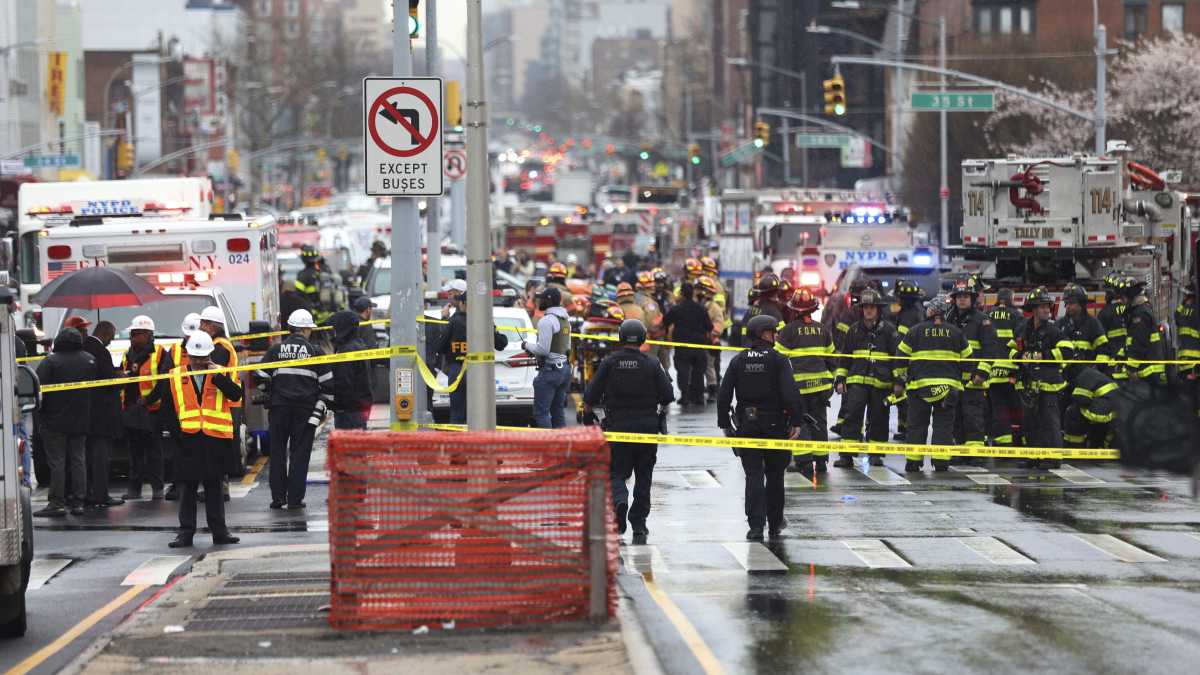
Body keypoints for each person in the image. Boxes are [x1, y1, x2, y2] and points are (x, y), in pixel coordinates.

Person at [143, 332, 242, 549]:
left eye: (202, 358)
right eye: (194, 358)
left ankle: (220, 531)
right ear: (187, 355)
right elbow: (167, 409)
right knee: (187, 488)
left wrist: (218, 377)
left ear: (209, 355)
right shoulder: (175, 375)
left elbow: (236, 395)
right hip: (187, 440)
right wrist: (176, 434)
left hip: (215, 439)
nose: (198, 362)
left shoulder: (220, 372)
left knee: (214, 488)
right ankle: (185, 533)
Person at [583, 319, 673, 542]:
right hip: (646, 428)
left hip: (618, 428)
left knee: (615, 473)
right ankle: (639, 523)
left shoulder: (609, 362)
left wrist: (591, 415)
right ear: (643, 338)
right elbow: (668, 395)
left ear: (621, 337)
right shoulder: (652, 363)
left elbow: (590, 395)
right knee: (644, 476)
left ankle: (620, 501)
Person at [718, 314, 805, 541]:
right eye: (772, 331)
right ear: (762, 333)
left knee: (753, 475)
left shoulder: (739, 360)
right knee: (775, 475)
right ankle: (775, 523)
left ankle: (755, 526)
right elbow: (790, 393)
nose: (775, 335)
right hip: (775, 426)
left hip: (747, 426)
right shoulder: (778, 360)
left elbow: (723, 394)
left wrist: (725, 424)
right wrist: (796, 422)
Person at [255, 309, 333, 509]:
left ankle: (278, 498)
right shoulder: (316, 352)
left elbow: (260, 377)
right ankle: (295, 499)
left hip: (279, 408)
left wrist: (269, 391)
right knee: (300, 455)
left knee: (278, 453)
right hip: (305, 411)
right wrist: (320, 408)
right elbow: (328, 386)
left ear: (290, 328)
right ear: (306, 329)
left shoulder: (275, 350)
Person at [896, 293, 971, 472]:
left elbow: (900, 358)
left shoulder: (915, 330)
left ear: (932, 311)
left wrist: (904, 377)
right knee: (943, 426)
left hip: (919, 389)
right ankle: (941, 462)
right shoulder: (956, 332)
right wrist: (963, 381)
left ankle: (913, 462)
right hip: (948, 390)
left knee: (916, 425)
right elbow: (969, 360)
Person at [33, 326, 97, 517]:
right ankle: (79, 501)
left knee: (57, 463)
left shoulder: (50, 361)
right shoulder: (89, 360)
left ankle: (57, 503)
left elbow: (37, 389)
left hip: (54, 421)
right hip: (81, 420)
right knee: (79, 460)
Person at [775, 288, 836, 475]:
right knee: (819, 421)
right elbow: (832, 358)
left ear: (794, 310)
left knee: (800, 421)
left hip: (799, 388)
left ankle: (804, 461)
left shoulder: (788, 331)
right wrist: (831, 379)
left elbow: (779, 359)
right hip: (822, 386)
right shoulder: (823, 330)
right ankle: (821, 460)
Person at [834, 288, 896, 467]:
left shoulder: (889, 331)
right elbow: (845, 358)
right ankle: (847, 455)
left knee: (879, 417)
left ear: (878, 309)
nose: (868, 310)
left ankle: (876, 454)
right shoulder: (853, 330)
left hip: (881, 384)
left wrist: (898, 381)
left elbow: (897, 358)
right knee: (852, 415)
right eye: (865, 307)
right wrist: (840, 379)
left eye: (872, 307)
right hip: (857, 382)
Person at [433, 279, 509, 423]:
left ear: (463, 304)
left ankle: (458, 442)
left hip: (458, 371)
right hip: (480, 373)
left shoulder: (453, 322)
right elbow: (501, 343)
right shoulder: (484, 321)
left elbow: (439, 345)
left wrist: (444, 319)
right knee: (480, 414)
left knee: (457, 412)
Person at [1016, 287, 1072, 468]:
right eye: (1041, 307)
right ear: (1033, 309)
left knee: (1050, 422)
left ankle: (1052, 458)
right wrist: (1019, 358)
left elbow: (1067, 351)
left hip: (1049, 385)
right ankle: (1033, 456)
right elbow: (1010, 349)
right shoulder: (1023, 328)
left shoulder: (1054, 330)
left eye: (1048, 306)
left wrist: (1043, 356)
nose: (1046, 310)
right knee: (1031, 422)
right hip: (1029, 385)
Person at [945, 276, 998, 456]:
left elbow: (990, 350)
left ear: (973, 298)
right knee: (955, 417)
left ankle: (975, 454)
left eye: (966, 295)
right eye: (959, 295)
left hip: (974, 380)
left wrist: (982, 373)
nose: (962, 298)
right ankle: (959, 452)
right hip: (953, 379)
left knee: (973, 417)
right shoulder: (948, 318)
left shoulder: (983, 320)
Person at [121, 316, 167, 500]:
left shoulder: (161, 353)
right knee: (134, 451)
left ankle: (157, 488)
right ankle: (134, 488)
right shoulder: (128, 353)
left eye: (137, 334)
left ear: (148, 335)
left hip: (152, 409)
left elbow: (163, 382)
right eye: (132, 334)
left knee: (154, 451)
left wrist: (149, 399)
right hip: (132, 408)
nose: (133, 338)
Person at [80, 320, 125, 508]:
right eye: (112, 337)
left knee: (88, 456)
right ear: (105, 333)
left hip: (87, 414)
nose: (111, 341)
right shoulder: (101, 352)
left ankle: (89, 492)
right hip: (102, 416)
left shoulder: (84, 349)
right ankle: (101, 494)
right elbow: (107, 383)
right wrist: (121, 377)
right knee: (101, 457)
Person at [199, 306, 239, 498]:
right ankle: (218, 487)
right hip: (222, 404)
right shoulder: (220, 344)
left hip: (223, 405)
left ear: (213, 326)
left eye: (203, 324)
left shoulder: (219, 348)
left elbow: (215, 376)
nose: (200, 327)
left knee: (219, 448)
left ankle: (220, 488)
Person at [523, 287, 573, 428]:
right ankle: (562, 446)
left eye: (542, 299)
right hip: (563, 370)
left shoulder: (546, 321)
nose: (539, 301)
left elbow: (543, 350)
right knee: (558, 412)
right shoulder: (565, 321)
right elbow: (567, 348)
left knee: (541, 413)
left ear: (548, 300)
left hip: (550, 372)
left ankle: (549, 447)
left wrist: (526, 345)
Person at [662, 282, 711, 407]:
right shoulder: (701, 309)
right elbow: (709, 326)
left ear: (682, 294)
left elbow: (665, 321)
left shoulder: (677, 309)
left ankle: (685, 397)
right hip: (699, 345)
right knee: (698, 372)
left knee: (683, 371)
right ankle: (698, 397)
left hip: (682, 346)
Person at [986, 288, 1023, 449]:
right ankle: (1023, 440)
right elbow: (1021, 340)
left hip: (992, 370)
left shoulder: (987, 315)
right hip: (1011, 370)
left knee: (998, 409)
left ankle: (1003, 443)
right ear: (1010, 299)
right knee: (1019, 407)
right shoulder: (1016, 315)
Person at [891, 279, 926, 440]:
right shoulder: (916, 311)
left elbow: (901, 343)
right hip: (915, 361)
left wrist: (899, 370)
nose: (896, 300)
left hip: (909, 362)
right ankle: (904, 427)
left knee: (905, 396)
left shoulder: (908, 315)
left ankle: (906, 428)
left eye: (899, 297)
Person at [328, 310, 374, 429]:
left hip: (349, 411)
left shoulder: (348, 351)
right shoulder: (357, 345)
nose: (332, 332)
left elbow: (344, 383)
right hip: (357, 408)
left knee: (349, 446)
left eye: (335, 328)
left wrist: (332, 402)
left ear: (343, 328)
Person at [1121, 275, 1167, 386]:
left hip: (1147, 372)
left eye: (1124, 297)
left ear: (1130, 296)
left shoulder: (1139, 314)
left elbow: (1138, 342)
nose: (1122, 301)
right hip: (1150, 370)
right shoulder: (1142, 309)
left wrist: (1131, 368)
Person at [1063, 366, 1120, 449]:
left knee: (1073, 412)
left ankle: (1074, 446)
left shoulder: (1082, 377)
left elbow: (1081, 399)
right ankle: (1097, 447)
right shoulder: (1093, 374)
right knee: (1093, 417)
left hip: (1102, 410)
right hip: (1116, 410)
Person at [697, 276, 726, 401]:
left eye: (699, 289)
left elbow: (719, 324)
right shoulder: (699, 305)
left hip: (709, 341)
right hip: (698, 340)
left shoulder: (714, 307)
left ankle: (712, 391)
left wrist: (711, 335)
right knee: (699, 367)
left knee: (709, 366)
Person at [1176, 287, 1199, 419]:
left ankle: (1190, 416)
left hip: (1185, 360)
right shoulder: (1196, 311)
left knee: (1189, 391)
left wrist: (1183, 303)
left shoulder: (1182, 312)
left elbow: (1176, 314)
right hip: (1196, 359)